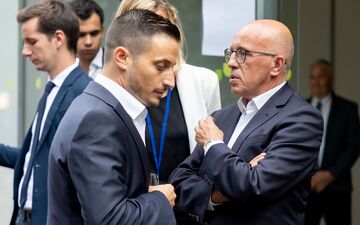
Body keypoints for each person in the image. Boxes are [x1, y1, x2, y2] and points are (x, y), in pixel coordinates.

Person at [169, 19, 324, 225]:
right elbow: (179, 181)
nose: (231, 62)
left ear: (276, 65)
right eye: (231, 52)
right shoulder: (222, 117)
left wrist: (214, 145)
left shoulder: (302, 120)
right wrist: (215, 195)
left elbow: (253, 186)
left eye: (243, 53)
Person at [47, 9, 181, 225]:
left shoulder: (97, 107)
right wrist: (160, 200)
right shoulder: (97, 120)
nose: (170, 81)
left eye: (171, 68)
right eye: (161, 66)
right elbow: (110, 219)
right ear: (122, 57)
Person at [0, 1, 91, 225]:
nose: (25, 51)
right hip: (25, 216)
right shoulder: (52, 89)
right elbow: (36, 157)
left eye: (32, 41)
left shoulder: (83, 93)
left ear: (58, 39)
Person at [116, 0, 221, 184]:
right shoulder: (114, 89)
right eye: (147, 29)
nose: (157, 38)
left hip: (188, 206)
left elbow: (211, 157)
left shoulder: (203, 82)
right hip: (136, 207)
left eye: (165, 28)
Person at [305, 59, 360, 225]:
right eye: (312, 77)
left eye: (321, 77)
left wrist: (330, 175)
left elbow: (354, 146)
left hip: (337, 187)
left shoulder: (348, 108)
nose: (316, 82)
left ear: (331, 78)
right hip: (305, 188)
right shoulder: (301, 108)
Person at [69, 0, 104, 79]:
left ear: (102, 31)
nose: (88, 42)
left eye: (94, 33)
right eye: (81, 35)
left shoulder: (115, 66)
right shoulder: (62, 69)